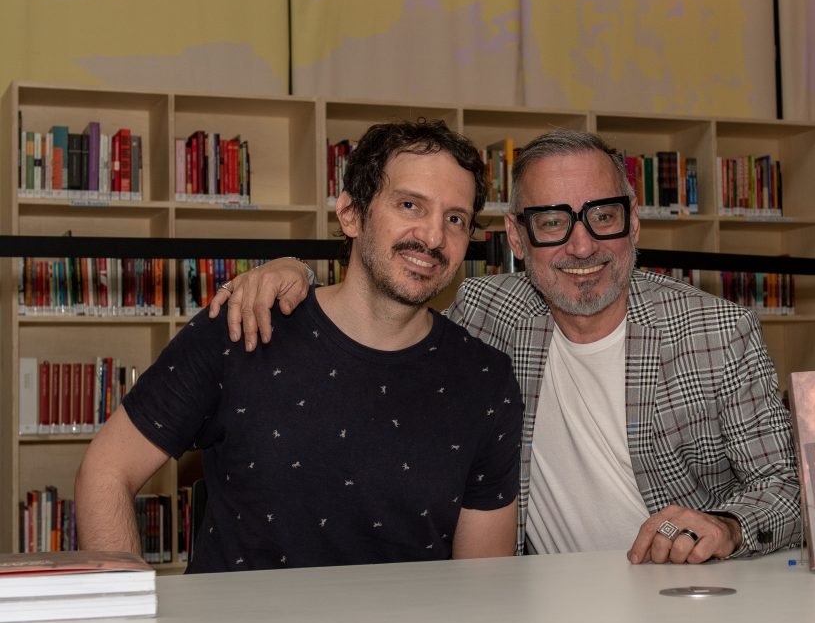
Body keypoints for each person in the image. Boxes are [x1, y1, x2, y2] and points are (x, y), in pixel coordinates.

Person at [210, 130, 802, 565]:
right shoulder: (488, 315)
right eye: (552, 222)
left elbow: (789, 488)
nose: (582, 245)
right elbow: (379, 307)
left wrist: (728, 525)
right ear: (516, 237)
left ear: (634, 224)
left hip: (679, 601)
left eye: (602, 216)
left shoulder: (718, 333)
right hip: (531, 602)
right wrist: (295, 276)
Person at [75, 120, 523, 572]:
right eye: (409, 205)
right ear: (351, 213)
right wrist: (128, 616)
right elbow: (106, 471)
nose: (432, 237)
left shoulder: (486, 379)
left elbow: (481, 580)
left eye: (455, 219)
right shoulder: (244, 324)